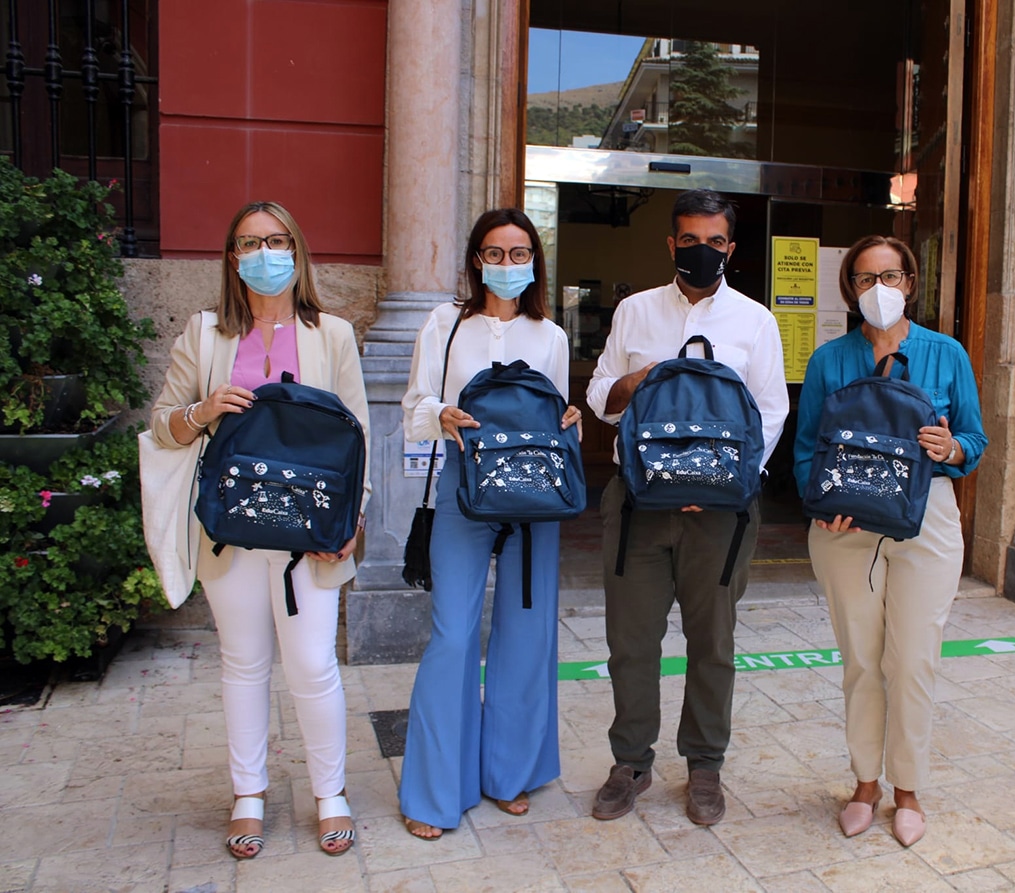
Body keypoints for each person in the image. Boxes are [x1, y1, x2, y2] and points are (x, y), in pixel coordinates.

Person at [148, 201, 371, 858]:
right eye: (250, 242)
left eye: (276, 241)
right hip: (231, 529)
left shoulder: (330, 333)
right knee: (243, 664)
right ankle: (248, 792)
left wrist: (353, 519)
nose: (265, 253)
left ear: (296, 251)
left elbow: (357, 432)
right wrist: (203, 407)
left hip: (312, 531)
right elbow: (162, 424)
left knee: (312, 662)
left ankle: (330, 792)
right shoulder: (204, 334)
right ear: (231, 257)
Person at [586, 189, 789, 826]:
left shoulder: (755, 320)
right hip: (640, 503)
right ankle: (631, 763)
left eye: (716, 241)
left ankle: (705, 766)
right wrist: (638, 379)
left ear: (732, 247)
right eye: (691, 240)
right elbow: (599, 398)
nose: (704, 251)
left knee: (714, 644)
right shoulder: (634, 312)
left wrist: (728, 482)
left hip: (720, 514)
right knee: (631, 642)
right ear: (672, 244)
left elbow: (771, 411)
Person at [793, 234, 987, 847]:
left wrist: (950, 448)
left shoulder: (947, 353)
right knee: (861, 662)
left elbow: (975, 442)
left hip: (925, 519)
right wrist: (821, 505)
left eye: (892, 277)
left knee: (913, 661)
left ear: (910, 283)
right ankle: (864, 785)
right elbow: (803, 450)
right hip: (845, 526)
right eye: (865, 278)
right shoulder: (829, 360)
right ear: (849, 288)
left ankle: (907, 791)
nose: (880, 290)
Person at [399, 208, 582, 840]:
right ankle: (435, 791)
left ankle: (510, 774)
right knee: (453, 635)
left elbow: (556, 414)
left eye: (520, 253)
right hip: (462, 485)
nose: (508, 264)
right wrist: (441, 414)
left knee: (528, 633)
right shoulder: (445, 324)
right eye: (495, 253)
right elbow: (413, 404)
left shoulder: (550, 336)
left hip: (535, 494)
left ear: (536, 261)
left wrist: (570, 422)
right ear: (476, 258)